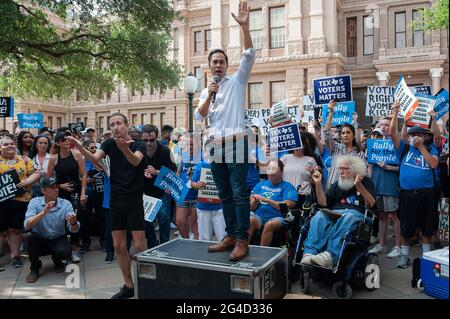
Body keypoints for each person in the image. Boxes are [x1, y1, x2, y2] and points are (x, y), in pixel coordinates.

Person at [195, 0, 255, 261]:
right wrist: (208, 93)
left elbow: (249, 54)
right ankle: (230, 234)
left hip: (236, 142)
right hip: (214, 147)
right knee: (224, 194)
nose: (218, 65)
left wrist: (244, 26)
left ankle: (242, 239)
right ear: (209, 67)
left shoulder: (237, 80)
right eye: (214, 62)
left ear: (227, 65)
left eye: (222, 61)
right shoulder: (207, 89)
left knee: (240, 194)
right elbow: (199, 115)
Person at [66, 112, 147, 299]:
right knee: (119, 246)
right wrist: (79, 146)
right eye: (112, 124)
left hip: (134, 200)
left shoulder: (139, 144)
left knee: (140, 246)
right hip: (116, 200)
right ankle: (128, 285)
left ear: (127, 125)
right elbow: (95, 159)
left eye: (119, 123)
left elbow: (135, 160)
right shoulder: (109, 144)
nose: (115, 127)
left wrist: (124, 148)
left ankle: (145, 281)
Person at [300, 155, 376, 269]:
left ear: (355, 170)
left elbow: (371, 204)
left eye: (345, 169)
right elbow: (323, 203)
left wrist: (358, 185)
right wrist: (318, 184)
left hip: (356, 214)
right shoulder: (338, 184)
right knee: (319, 215)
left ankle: (331, 256)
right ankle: (309, 253)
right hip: (335, 212)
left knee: (348, 217)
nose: (341, 171)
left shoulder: (366, 182)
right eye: (340, 168)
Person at [389, 101, 439, 269]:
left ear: (426, 137)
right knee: (406, 227)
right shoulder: (403, 149)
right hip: (408, 194)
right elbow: (391, 132)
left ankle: (426, 257)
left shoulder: (431, 150)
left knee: (427, 228)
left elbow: (433, 164)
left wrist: (421, 148)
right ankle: (404, 256)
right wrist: (396, 113)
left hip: (427, 194)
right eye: (413, 134)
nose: (416, 136)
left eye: (420, 134)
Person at [23, 177, 80, 283]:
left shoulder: (65, 204)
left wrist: (73, 222)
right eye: (52, 187)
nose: (56, 189)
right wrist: (43, 213)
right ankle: (34, 269)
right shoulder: (34, 202)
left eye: (57, 186)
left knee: (65, 251)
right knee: (31, 239)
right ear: (43, 190)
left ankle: (57, 260)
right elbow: (27, 225)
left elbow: (74, 230)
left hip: (58, 237)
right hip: (41, 239)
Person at [46, 131, 87, 263]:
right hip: (61, 192)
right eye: (63, 140)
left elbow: (84, 175)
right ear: (57, 143)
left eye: (68, 139)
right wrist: (60, 186)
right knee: (62, 221)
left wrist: (82, 193)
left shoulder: (77, 155)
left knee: (75, 219)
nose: (67, 141)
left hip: (76, 190)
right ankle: (63, 250)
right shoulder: (53, 158)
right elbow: (48, 178)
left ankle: (74, 250)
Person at [0, 135, 40, 268]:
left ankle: (15, 256)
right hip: (1, 202)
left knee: (15, 230)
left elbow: (37, 172)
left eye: (11, 143)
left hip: (20, 200)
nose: (9, 146)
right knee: (1, 231)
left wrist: (27, 181)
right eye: (5, 144)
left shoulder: (24, 159)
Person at [367, 123, 401, 258]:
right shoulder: (373, 145)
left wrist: (388, 167)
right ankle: (381, 244)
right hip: (377, 185)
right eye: (381, 124)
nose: (383, 126)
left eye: (387, 124)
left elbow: (403, 167)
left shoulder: (397, 145)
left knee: (393, 215)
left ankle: (398, 246)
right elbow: (370, 165)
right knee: (381, 215)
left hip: (390, 186)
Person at [142, 124, 177, 247]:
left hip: (162, 190)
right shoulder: (139, 150)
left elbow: (173, 172)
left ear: (157, 138)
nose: (148, 143)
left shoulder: (165, 150)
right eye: (145, 140)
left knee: (163, 218)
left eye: (151, 140)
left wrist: (156, 172)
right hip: (146, 191)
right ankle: (152, 244)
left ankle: (164, 245)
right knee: (147, 220)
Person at [248, 159, 297, 246]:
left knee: (269, 224)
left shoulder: (288, 187)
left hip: (278, 218)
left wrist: (267, 200)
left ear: (281, 172)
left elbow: (288, 205)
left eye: (274, 169)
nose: (270, 173)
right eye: (269, 169)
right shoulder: (260, 185)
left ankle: (262, 254)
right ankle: (243, 249)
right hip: (259, 217)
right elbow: (251, 207)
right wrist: (255, 202)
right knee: (250, 220)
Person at [322, 101, 366, 190]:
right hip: (334, 188)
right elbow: (327, 134)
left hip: (351, 190)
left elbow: (362, 173)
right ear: (340, 136)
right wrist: (331, 113)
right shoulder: (336, 149)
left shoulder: (359, 154)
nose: (345, 135)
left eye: (348, 132)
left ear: (353, 135)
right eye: (343, 133)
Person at [191, 141, 226, 242]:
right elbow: (192, 183)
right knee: (204, 237)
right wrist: (196, 185)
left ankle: (223, 256)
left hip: (220, 206)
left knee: (222, 235)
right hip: (203, 206)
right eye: (209, 150)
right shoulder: (200, 166)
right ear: (204, 152)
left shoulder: (223, 165)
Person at [79, 140, 105, 253]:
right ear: (85, 149)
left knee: (102, 219)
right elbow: (76, 177)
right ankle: (85, 243)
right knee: (85, 220)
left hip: (100, 194)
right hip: (87, 195)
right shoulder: (81, 161)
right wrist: (84, 180)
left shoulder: (100, 160)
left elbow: (107, 174)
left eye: (95, 147)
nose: (94, 150)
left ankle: (104, 242)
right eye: (91, 148)